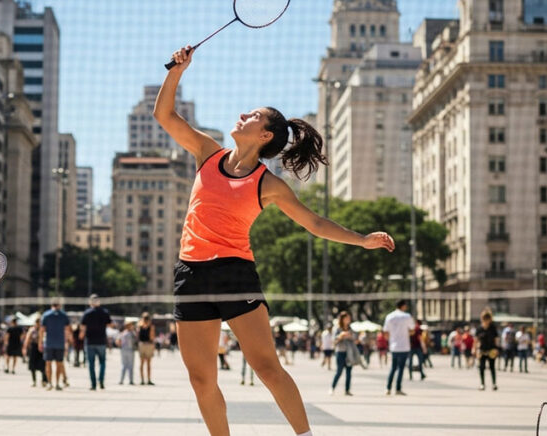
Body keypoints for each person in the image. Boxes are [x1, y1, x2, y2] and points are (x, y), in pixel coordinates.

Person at [157, 47, 395, 436]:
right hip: (190, 274)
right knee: (201, 380)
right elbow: (164, 115)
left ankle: (305, 435)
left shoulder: (269, 184)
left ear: (265, 135)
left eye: (253, 116)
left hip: (235, 274)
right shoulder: (206, 153)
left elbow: (315, 223)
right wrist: (177, 72)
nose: (243, 115)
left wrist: (363, 240)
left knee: (266, 367)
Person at [79, 294, 112, 390]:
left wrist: (81, 335)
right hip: (101, 340)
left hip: (90, 341)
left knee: (91, 364)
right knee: (102, 362)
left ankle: (93, 384)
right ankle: (101, 381)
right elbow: (110, 324)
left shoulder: (87, 313)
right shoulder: (104, 312)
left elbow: (83, 327)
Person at [383, 300, 415, 396]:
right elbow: (412, 330)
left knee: (393, 368)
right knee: (401, 368)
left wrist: (391, 339)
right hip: (404, 346)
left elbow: (385, 332)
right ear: (403, 306)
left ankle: (388, 388)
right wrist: (405, 333)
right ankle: (398, 388)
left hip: (394, 346)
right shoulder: (407, 316)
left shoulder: (389, 316)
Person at [41, 300, 71, 391]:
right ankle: (57, 383)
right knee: (59, 363)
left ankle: (50, 383)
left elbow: (42, 330)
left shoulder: (46, 315)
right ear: (59, 305)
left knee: (48, 363)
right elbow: (67, 331)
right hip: (60, 343)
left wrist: (40, 342)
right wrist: (67, 343)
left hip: (49, 343)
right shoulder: (63, 315)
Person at [330, 311, 356, 396]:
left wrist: (350, 337)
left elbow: (355, 339)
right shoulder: (337, 329)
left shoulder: (350, 328)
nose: (348, 320)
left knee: (349, 372)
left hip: (349, 352)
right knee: (339, 371)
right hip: (340, 352)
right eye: (347, 318)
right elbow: (334, 341)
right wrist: (340, 336)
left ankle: (347, 390)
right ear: (342, 319)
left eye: (349, 318)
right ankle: (332, 388)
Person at [475, 310, 499, 391]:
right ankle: (482, 384)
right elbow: (476, 340)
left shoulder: (493, 328)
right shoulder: (479, 328)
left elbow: (496, 339)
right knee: (481, 367)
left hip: (491, 350)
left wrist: (496, 349)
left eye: (487, 319)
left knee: (492, 367)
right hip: (482, 350)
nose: (486, 321)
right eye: (484, 319)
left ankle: (494, 384)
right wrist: (475, 349)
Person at [23, 318, 45, 387]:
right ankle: (34, 381)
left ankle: (44, 381)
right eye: (37, 322)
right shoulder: (32, 330)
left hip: (42, 348)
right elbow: (27, 339)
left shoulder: (43, 329)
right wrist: (25, 348)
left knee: (43, 365)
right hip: (34, 348)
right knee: (32, 365)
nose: (38, 324)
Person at [137, 312, 156, 385]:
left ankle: (142, 380)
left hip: (142, 345)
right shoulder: (151, 326)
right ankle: (148, 380)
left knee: (142, 363)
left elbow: (138, 336)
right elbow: (152, 337)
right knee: (148, 364)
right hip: (148, 345)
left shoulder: (139, 325)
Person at [117, 321, 138, 385]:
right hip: (130, 350)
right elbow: (136, 340)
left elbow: (118, 341)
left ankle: (121, 380)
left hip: (123, 350)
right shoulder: (132, 333)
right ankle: (131, 380)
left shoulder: (123, 333)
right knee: (130, 366)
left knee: (124, 365)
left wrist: (121, 346)